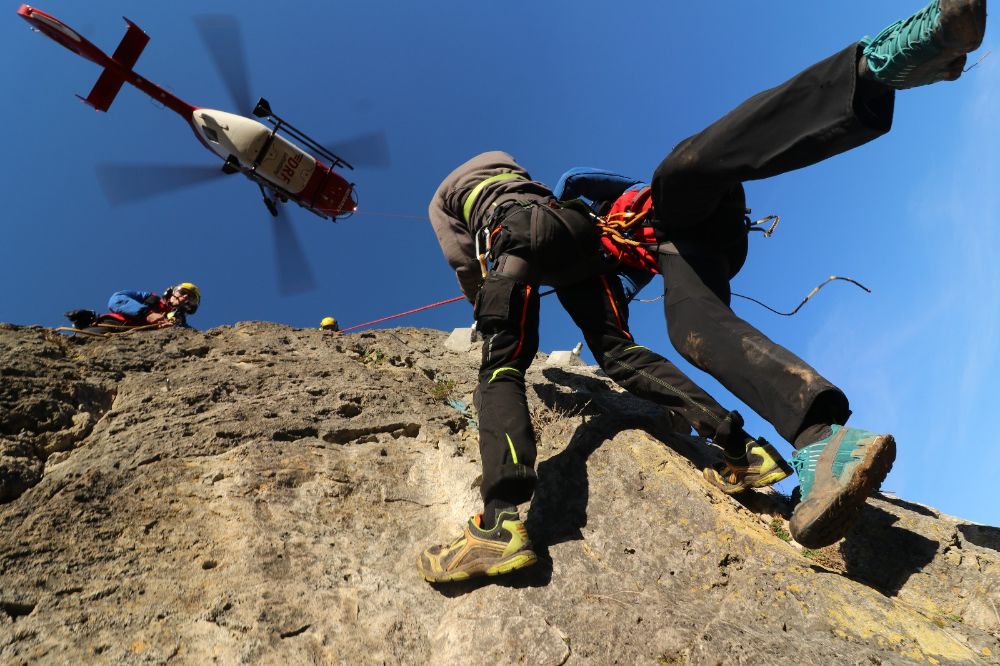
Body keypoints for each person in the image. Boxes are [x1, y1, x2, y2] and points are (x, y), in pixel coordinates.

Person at [418, 0, 987, 582]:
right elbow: (594, 266)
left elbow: (468, 261)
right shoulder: (548, 197)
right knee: (689, 331)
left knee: (679, 173)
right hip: (689, 249)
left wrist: (494, 307)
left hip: (668, 210)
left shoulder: (475, 195)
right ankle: (811, 447)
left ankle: (884, 61)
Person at [64, 282, 201, 334]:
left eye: (190, 298)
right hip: (111, 325)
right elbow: (116, 300)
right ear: (173, 291)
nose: (184, 298)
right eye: (182, 293)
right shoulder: (150, 299)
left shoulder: (181, 324)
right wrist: (147, 313)